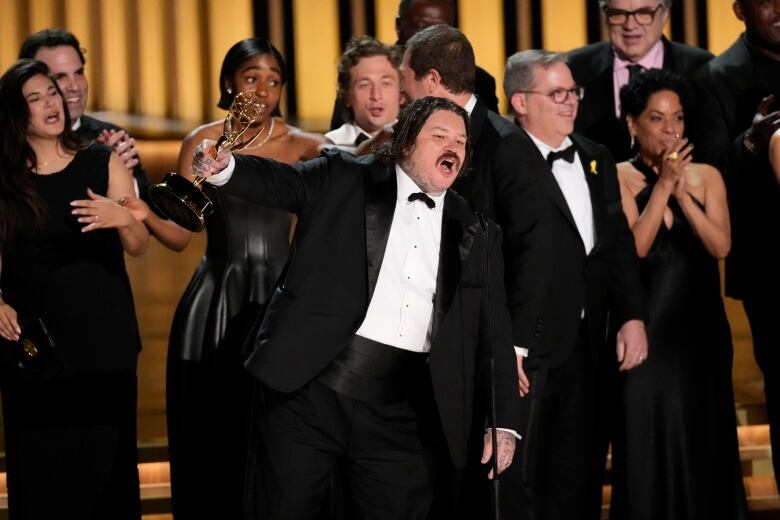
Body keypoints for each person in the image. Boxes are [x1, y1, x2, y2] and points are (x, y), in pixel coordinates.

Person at [193, 96, 520, 519]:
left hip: (403, 411)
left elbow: (494, 329)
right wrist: (226, 169)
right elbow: (284, 183)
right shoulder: (345, 177)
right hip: (310, 390)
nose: (453, 147)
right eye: (439, 136)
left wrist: (504, 421)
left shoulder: (475, 228)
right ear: (405, 143)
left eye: (461, 140)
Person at [166, 38, 325, 520]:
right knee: (212, 429)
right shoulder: (202, 141)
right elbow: (178, 234)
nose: (262, 90)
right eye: (251, 78)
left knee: (276, 433)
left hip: (280, 299)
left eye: (274, 80)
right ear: (228, 83)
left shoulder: (306, 146)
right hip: (215, 299)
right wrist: (133, 211)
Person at [399, 23, 548, 514]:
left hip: (489, 341)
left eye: (407, 86)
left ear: (433, 79)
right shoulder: (414, 137)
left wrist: (515, 347)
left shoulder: (505, 144)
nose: (403, 97)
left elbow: (534, 251)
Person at [0, 58, 149, 518]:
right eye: (36, 97)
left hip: (104, 345)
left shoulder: (100, 161)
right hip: (37, 350)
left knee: (108, 474)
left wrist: (124, 216)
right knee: (44, 477)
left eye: (53, 92)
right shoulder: (5, 180)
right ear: (14, 114)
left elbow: (139, 244)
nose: (52, 103)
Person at [502, 50, 647, 520]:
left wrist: (631, 315)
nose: (570, 103)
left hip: (589, 345)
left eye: (573, 92)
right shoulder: (502, 160)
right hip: (531, 352)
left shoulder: (595, 156)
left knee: (580, 471)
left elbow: (617, 244)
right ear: (520, 102)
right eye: (557, 93)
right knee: (524, 478)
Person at [609, 68, 747, 519]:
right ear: (632, 124)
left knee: (706, 443)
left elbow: (721, 247)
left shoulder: (707, 177)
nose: (671, 131)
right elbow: (636, 249)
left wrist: (683, 194)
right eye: (657, 119)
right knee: (647, 444)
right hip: (647, 336)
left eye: (679, 119)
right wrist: (664, 187)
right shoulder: (618, 178)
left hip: (702, 337)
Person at [691, 0, 780, 487]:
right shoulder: (715, 78)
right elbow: (709, 178)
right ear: (740, 9)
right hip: (772, 273)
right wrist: (752, 139)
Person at [19, 28, 190, 251]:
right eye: (59, 77)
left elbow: (144, 236)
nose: (75, 87)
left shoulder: (112, 139)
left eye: (79, 73)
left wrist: (121, 177)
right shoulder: (9, 143)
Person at [567, 0, 713, 162]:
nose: (630, 25)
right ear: (604, 15)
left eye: (644, 13)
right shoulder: (573, 69)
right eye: (618, 14)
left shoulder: (702, 69)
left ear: (665, 14)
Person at [329, 0, 499, 130]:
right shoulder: (365, 69)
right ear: (398, 25)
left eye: (441, 28)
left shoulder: (478, 80)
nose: (432, 38)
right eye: (422, 27)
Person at [325, 36, 401, 153]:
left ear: (401, 93)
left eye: (386, 83)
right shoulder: (328, 146)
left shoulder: (420, 141)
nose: (376, 95)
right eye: (364, 85)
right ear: (347, 96)